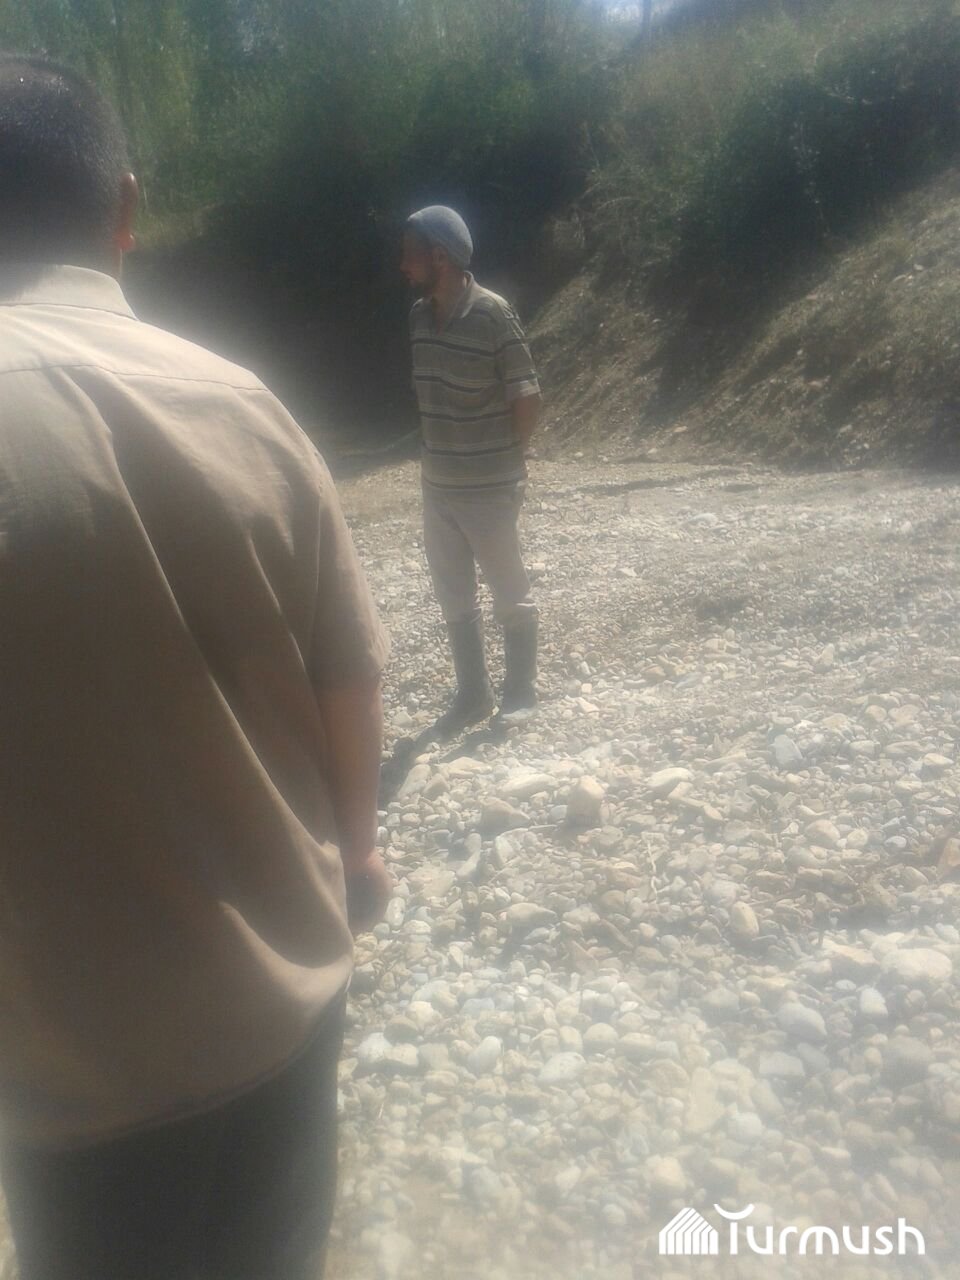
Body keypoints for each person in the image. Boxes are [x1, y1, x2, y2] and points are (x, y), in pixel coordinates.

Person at [0, 55, 391, 1280]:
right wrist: (359, 856)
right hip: (284, 1011)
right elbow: (346, 672)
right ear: (125, 207)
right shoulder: (244, 402)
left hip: (80, 1074)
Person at [400, 205, 542, 736]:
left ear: (440, 257)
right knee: (452, 593)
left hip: (489, 485)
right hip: (437, 484)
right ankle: (473, 693)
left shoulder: (493, 314)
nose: (403, 266)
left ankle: (520, 691)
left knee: (509, 590)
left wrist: (508, 466)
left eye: (411, 255)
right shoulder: (418, 318)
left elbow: (526, 396)